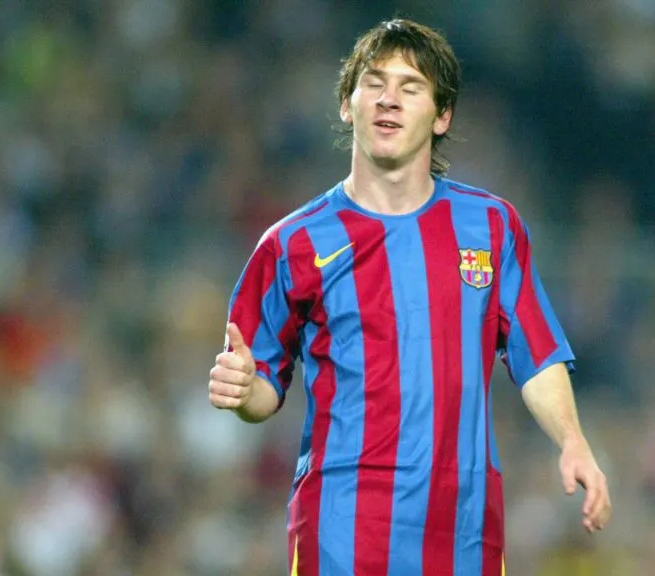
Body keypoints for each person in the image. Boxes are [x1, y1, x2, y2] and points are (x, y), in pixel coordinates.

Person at [208, 18, 612, 576]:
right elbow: (263, 389)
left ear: (441, 115)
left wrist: (573, 441)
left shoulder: (491, 227)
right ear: (348, 107)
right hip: (341, 529)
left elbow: (535, 355)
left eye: (411, 86)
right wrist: (241, 388)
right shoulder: (292, 243)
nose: (389, 99)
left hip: (463, 530)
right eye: (373, 83)